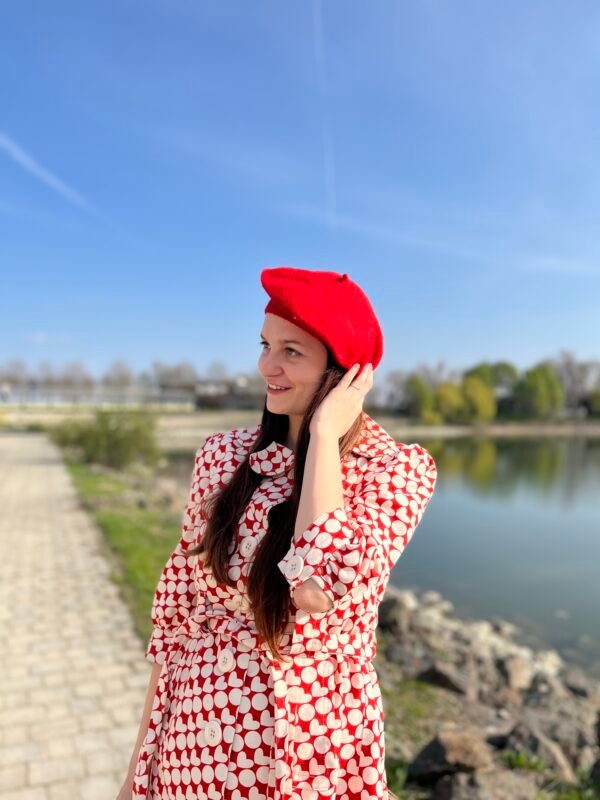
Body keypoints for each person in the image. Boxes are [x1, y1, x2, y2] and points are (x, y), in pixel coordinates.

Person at [118, 266, 438, 800]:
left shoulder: (396, 470)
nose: (267, 366)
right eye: (265, 344)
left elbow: (315, 590)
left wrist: (321, 438)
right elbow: (180, 623)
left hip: (307, 752)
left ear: (345, 371)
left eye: (292, 351)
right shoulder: (222, 458)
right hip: (194, 743)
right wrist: (136, 775)